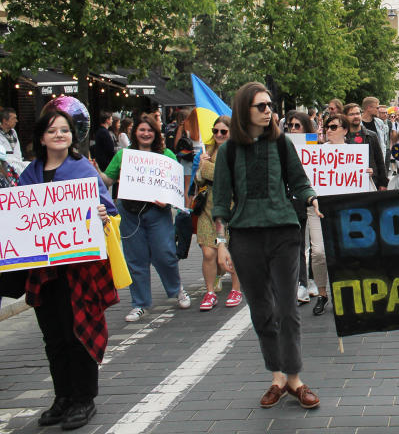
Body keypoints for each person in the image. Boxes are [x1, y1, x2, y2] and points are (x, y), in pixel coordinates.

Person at [212, 82, 322, 410]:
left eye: (269, 105)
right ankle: (277, 377)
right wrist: (221, 243)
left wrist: (311, 197)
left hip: (284, 233)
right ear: (244, 110)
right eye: (260, 106)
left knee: (287, 309)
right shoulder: (229, 151)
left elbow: (299, 181)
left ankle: (295, 380)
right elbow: (220, 202)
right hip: (245, 237)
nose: (267, 111)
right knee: (261, 309)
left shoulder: (282, 143)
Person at [21, 109, 118, 430]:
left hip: (78, 270)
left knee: (78, 332)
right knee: (53, 338)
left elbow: (108, 209)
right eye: (53, 130)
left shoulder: (82, 170)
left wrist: (102, 214)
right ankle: (62, 397)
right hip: (42, 272)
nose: (60, 135)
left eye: (65, 130)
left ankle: (83, 398)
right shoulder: (28, 174)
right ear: (41, 137)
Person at [96, 115, 190, 322]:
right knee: (135, 260)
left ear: (156, 134)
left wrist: (167, 202)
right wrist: (94, 171)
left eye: (150, 130)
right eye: (141, 130)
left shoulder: (166, 155)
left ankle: (176, 290)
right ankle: (140, 304)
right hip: (129, 212)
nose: (145, 134)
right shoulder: (124, 156)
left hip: (157, 213)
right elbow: (107, 180)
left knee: (165, 254)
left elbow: (174, 187)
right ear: (134, 133)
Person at [311, 112, 369, 315]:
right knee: (318, 252)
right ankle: (322, 293)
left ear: (344, 130)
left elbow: (363, 189)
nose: (329, 130)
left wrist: (366, 174)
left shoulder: (355, 153)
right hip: (318, 208)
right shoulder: (315, 152)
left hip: (345, 209)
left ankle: (345, 292)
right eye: (327, 127)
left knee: (344, 251)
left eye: (334, 127)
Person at [194, 116, 242, 312]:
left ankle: (237, 289)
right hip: (208, 206)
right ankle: (210, 291)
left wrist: (207, 169)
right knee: (208, 252)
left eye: (224, 131)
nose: (219, 135)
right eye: (216, 131)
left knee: (234, 250)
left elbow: (232, 177)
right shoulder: (207, 152)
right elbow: (198, 181)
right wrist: (200, 169)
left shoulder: (236, 152)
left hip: (231, 206)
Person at [286, 111, 316, 304]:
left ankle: (313, 278)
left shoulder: (316, 146)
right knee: (297, 242)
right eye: (290, 126)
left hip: (313, 199)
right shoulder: (283, 146)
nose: (293, 129)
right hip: (293, 199)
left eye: (297, 125)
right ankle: (301, 282)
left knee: (315, 244)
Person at [344, 103, 388, 190]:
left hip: (370, 181)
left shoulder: (371, 135)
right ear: (345, 117)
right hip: (348, 182)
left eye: (358, 113)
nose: (356, 116)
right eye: (352, 114)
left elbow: (379, 160)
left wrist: (383, 183)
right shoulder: (342, 136)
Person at [361, 96, 391, 165]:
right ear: (369, 108)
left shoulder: (379, 123)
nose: (378, 110)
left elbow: (383, 142)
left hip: (377, 161)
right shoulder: (357, 123)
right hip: (362, 161)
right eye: (377, 108)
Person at [0, 107, 27, 174]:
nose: (16, 121)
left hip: (17, 165)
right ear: (5, 121)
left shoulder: (13, 132)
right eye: (13, 118)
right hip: (5, 169)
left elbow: (17, 152)